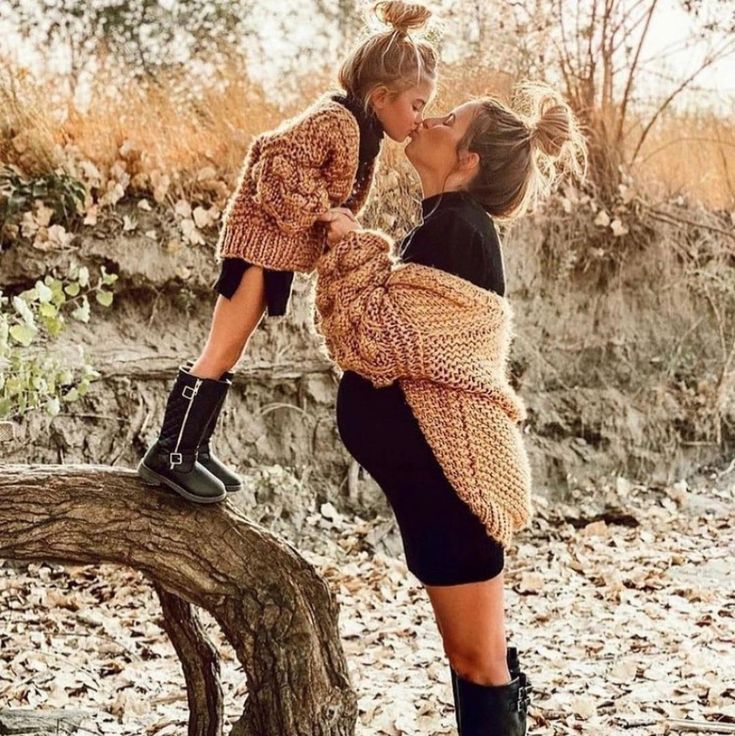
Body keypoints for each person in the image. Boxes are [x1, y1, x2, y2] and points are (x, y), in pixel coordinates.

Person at [315, 82, 587, 735]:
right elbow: (392, 338)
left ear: (465, 161)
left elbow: (374, 340)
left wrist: (352, 245)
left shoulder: (457, 231)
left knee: (477, 662)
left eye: (448, 119)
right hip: (438, 484)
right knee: (474, 658)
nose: (430, 119)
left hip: (454, 482)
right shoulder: (439, 226)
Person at [137, 1, 439, 504]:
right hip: (257, 243)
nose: (419, 116)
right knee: (222, 347)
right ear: (382, 96)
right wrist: (323, 213)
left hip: (274, 248)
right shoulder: (336, 121)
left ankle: (195, 447)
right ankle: (169, 455)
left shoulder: (363, 133)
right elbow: (275, 163)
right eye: (417, 104)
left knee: (234, 347)